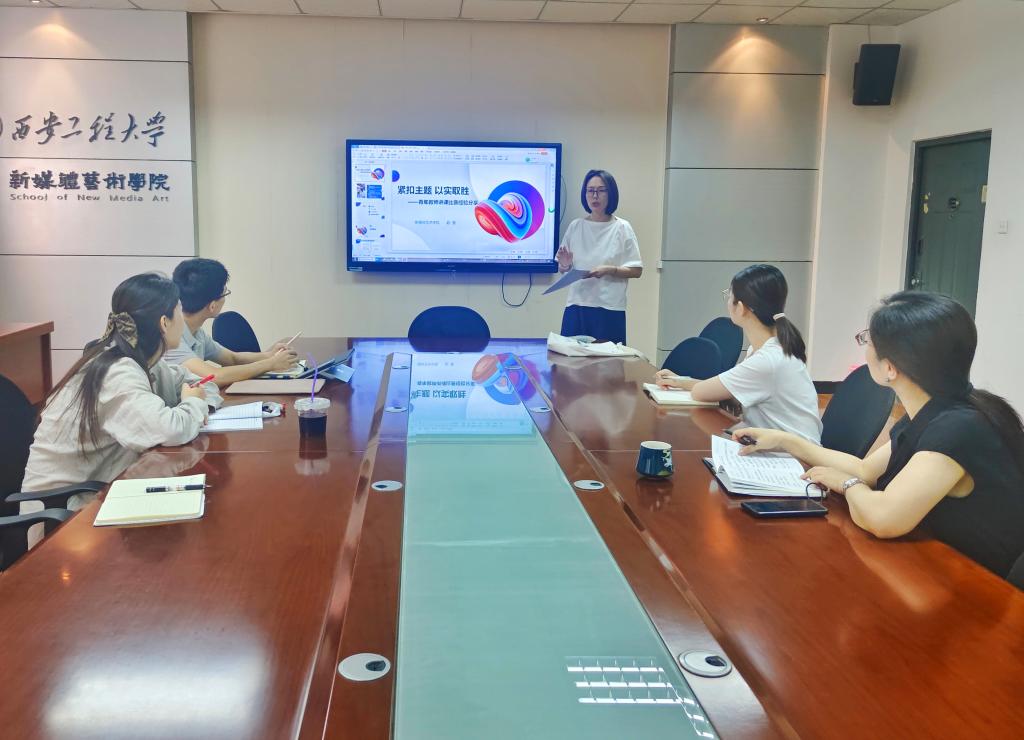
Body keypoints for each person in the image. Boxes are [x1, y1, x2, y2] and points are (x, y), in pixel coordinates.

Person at [736, 291, 1024, 580]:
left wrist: (847, 485)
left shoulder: (958, 428)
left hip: (976, 587)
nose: (865, 349)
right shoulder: (936, 409)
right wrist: (784, 440)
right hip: (934, 566)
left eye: (868, 340)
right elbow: (866, 470)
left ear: (889, 368)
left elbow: (883, 519)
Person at [21, 272, 223, 517]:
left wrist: (199, 400)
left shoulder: (144, 362)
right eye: (179, 309)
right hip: (62, 515)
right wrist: (193, 402)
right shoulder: (117, 372)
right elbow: (171, 430)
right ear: (164, 322)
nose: (183, 317)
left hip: (100, 494)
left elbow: (201, 384)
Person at [655, 264, 822, 443]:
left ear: (741, 308)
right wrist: (679, 381)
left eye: (729, 295)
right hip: (777, 447)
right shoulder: (769, 348)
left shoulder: (767, 360)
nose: (728, 301)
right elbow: (725, 389)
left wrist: (682, 382)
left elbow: (700, 392)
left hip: (792, 457)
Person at [165, 258, 297, 384]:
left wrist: (270, 355)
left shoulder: (195, 332)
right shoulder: (170, 339)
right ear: (212, 306)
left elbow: (233, 358)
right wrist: (270, 364)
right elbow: (213, 376)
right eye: (225, 293)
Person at [555, 169, 642, 345]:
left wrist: (610, 270)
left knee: (608, 361)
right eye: (590, 190)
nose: (595, 196)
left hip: (609, 308)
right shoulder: (575, 226)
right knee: (570, 358)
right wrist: (564, 266)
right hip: (577, 306)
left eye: (601, 190)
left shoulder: (622, 227)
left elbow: (636, 270)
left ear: (611, 194)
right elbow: (563, 269)